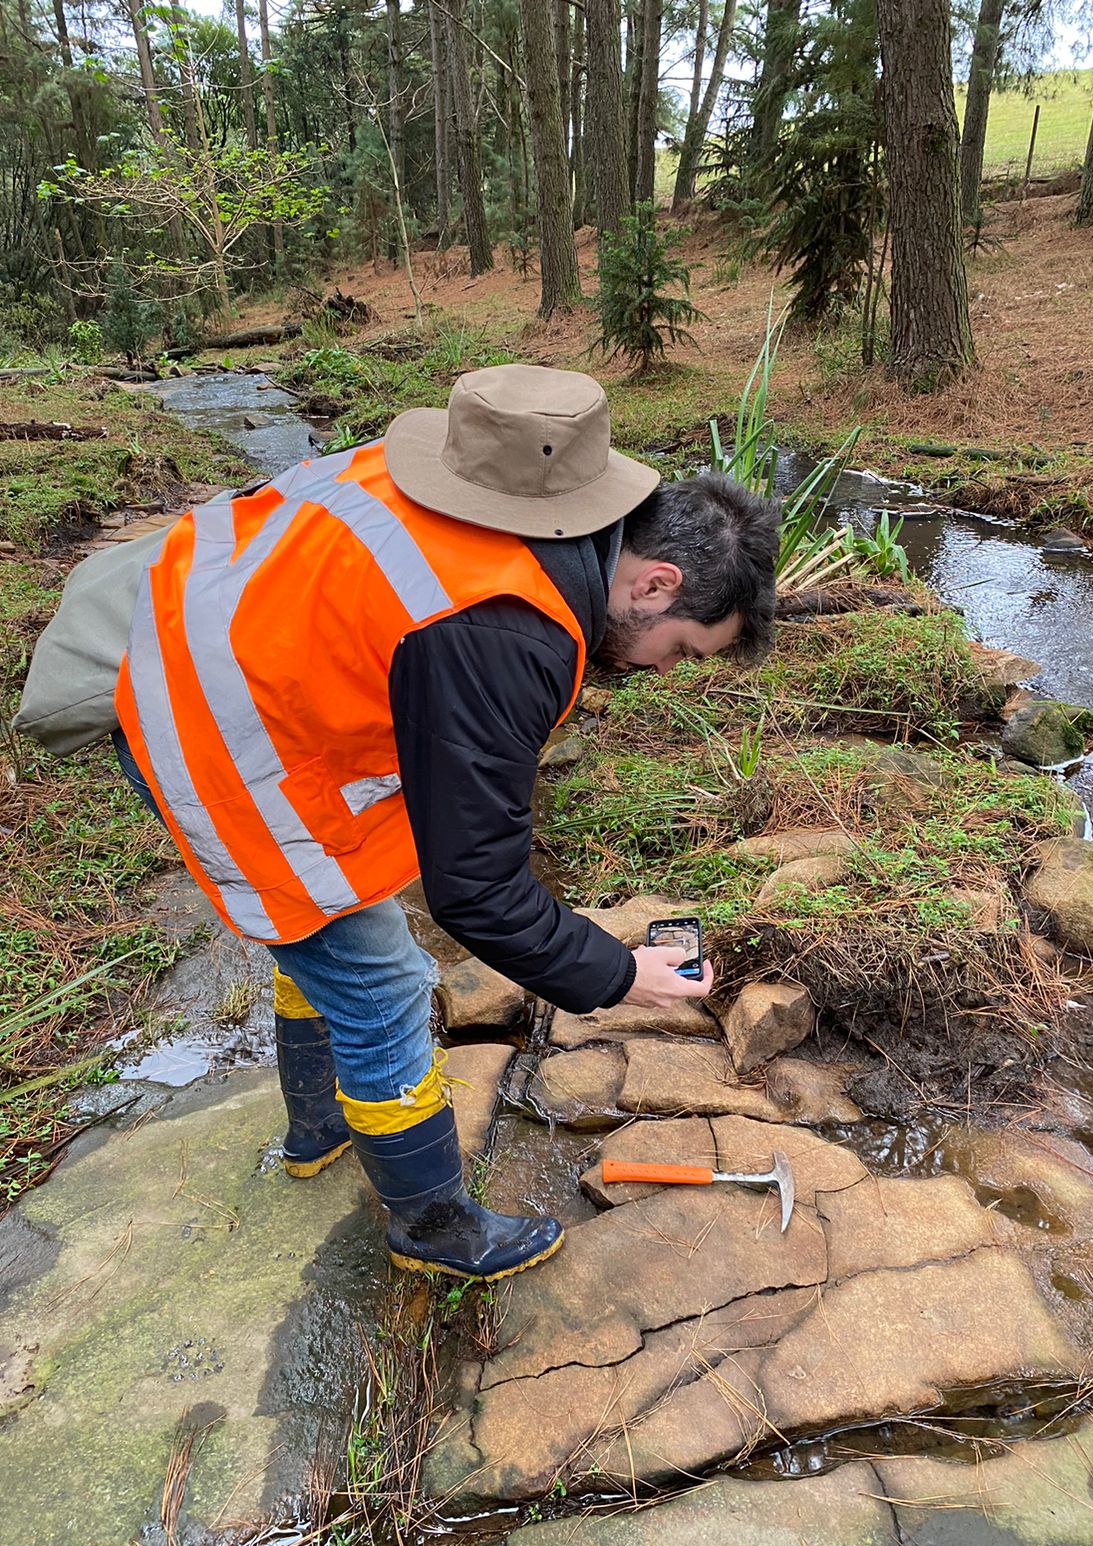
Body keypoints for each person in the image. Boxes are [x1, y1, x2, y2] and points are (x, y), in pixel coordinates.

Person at [109, 363, 779, 1281]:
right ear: (657, 584)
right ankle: (429, 1227)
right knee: (384, 981)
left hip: (204, 648)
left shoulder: (466, 481)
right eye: (685, 651)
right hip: (218, 732)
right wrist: (619, 973)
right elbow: (474, 891)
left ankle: (317, 1127)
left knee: (323, 924)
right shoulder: (507, 627)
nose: (668, 670)